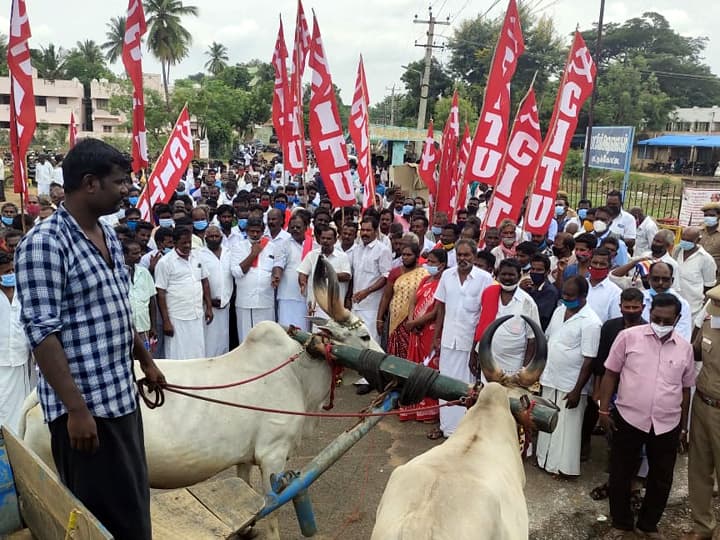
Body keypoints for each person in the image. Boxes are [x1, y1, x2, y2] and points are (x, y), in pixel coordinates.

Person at [14, 138, 164, 539]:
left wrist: (145, 361)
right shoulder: (45, 243)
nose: (128, 190)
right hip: (85, 414)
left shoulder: (107, 233)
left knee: (132, 507)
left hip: (120, 398)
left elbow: (116, 307)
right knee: (100, 520)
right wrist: (76, 412)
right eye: (120, 182)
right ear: (90, 184)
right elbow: (43, 336)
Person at [599, 293, 695, 539]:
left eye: (667, 321)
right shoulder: (628, 338)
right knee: (621, 473)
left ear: (678, 319)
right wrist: (603, 409)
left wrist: (683, 428)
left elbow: (685, 389)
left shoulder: (684, 349)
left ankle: (648, 525)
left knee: (661, 478)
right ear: (650, 314)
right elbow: (610, 374)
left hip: (667, 423)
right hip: (629, 418)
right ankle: (621, 523)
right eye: (656, 319)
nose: (660, 325)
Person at [536, 276, 601, 477]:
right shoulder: (558, 310)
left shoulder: (591, 322)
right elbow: (549, 339)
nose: (565, 298)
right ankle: (543, 460)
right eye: (564, 293)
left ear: (583, 296)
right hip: (551, 377)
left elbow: (589, 360)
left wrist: (577, 390)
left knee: (567, 427)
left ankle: (563, 468)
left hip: (571, 384)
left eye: (570, 295)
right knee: (545, 420)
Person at [433, 239, 494, 438]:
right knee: (445, 383)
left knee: (465, 387)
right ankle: (446, 428)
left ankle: (461, 432)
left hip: (469, 344)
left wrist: (477, 349)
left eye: (467, 255)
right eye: (459, 255)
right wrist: (436, 336)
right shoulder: (447, 276)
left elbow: (486, 315)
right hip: (448, 340)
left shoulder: (484, 279)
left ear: (474, 256)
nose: (462, 259)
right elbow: (440, 308)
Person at [684, 285, 720, 540]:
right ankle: (703, 527)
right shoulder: (711, 315)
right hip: (703, 403)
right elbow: (695, 350)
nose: (714, 307)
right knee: (699, 468)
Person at [472, 258, 541, 381]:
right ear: (497, 275)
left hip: (513, 366)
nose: (507, 278)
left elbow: (532, 340)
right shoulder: (489, 294)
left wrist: (524, 370)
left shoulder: (528, 302)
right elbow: (481, 326)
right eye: (504, 274)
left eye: (511, 275)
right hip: (488, 362)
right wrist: (473, 354)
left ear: (519, 276)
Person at [155, 227, 213, 360]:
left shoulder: (197, 257)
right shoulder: (165, 263)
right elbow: (161, 293)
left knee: (197, 352)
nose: (187, 246)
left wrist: (209, 308)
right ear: (175, 243)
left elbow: (205, 282)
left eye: (189, 242)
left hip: (197, 314)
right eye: (184, 243)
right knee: (178, 355)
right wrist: (166, 322)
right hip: (177, 317)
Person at [351, 216, 392, 394]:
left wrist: (366, 292)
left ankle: (371, 379)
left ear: (376, 231)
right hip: (356, 303)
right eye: (363, 230)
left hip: (372, 305)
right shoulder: (357, 249)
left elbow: (385, 277)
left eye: (368, 230)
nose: (365, 233)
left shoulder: (382, 250)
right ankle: (361, 375)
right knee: (358, 340)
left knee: (371, 341)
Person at [406, 249, 447, 429]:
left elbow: (436, 311)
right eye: (427, 261)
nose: (427, 265)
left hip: (429, 330)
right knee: (413, 367)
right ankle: (414, 406)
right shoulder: (425, 279)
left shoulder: (443, 283)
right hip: (415, 329)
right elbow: (413, 301)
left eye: (431, 262)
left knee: (428, 367)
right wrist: (410, 320)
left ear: (442, 265)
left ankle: (429, 410)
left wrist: (416, 322)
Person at [377, 241, 428, 361]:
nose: (405, 257)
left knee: (411, 351)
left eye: (409, 255)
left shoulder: (425, 274)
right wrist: (379, 318)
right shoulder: (395, 272)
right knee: (393, 352)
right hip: (395, 318)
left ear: (416, 256)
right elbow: (386, 296)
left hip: (414, 319)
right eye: (403, 255)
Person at [0, 251, 32, 432]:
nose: (10, 274)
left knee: (21, 406)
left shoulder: (23, 291)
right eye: (5, 272)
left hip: (22, 359)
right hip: (2, 359)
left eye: (12, 270)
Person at [231, 217, 277, 342]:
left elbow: (277, 267)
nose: (255, 234)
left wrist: (275, 275)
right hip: (246, 302)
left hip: (265, 301)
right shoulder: (238, 247)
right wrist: (253, 254)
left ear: (263, 232)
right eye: (252, 231)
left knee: (266, 338)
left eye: (258, 231)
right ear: (246, 231)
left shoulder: (272, 247)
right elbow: (237, 272)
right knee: (247, 339)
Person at [298, 224, 352, 320]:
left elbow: (347, 276)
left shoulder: (342, 256)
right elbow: (302, 272)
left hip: (336, 306)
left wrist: (329, 275)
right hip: (317, 306)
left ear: (335, 240)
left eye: (329, 238)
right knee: (318, 334)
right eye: (323, 238)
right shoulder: (312, 255)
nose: (325, 241)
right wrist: (302, 283)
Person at [197, 225, 233, 356]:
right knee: (209, 342)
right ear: (205, 238)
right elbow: (198, 280)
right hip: (208, 306)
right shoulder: (199, 254)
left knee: (223, 340)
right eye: (210, 236)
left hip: (225, 305)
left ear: (221, 237)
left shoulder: (228, 252)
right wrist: (208, 302)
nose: (213, 239)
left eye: (216, 236)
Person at [273, 215, 311, 331]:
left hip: (306, 297)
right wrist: (277, 276)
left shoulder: (313, 244)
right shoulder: (284, 244)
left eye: (298, 227)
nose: (295, 229)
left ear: (306, 227)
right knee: (287, 331)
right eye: (292, 227)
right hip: (287, 296)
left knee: (304, 332)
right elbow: (278, 263)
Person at [672, 226, 717, 319]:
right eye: (683, 239)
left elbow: (709, 286)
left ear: (698, 240)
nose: (684, 242)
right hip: (672, 303)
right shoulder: (677, 250)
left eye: (689, 240)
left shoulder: (706, 259)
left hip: (692, 308)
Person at [642, 262, 692, 341]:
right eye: (656, 279)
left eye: (665, 279)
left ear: (672, 280)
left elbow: (682, 338)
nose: (660, 283)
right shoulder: (640, 299)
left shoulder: (683, 304)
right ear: (648, 278)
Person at [123, 240, 158, 352]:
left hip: (144, 327)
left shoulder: (144, 273)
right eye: (134, 254)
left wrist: (153, 326)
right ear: (124, 255)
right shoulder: (117, 275)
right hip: (126, 329)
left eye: (140, 253)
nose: (139, 256)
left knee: (145, 358)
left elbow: (152, 300)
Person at [521, 253, 560, 330]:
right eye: (532, 269)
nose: (534, 272)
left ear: (547, 272)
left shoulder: (550, 291)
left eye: (539, 270)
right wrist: (520, 291)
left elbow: (540, 316)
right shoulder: (527, 286)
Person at [586, 248, 622, 323]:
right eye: (595, 263)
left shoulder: (616, 293)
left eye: (602, 264)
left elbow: (614, 321)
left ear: (609, 266)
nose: (598, 266)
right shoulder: (579, 284)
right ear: (589, 263)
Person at [699, 202, 720, 282]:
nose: (708, 218)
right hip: (698, 272)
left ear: (718, 216)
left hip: (715, 275)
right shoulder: (699, 229)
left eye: (712, 215)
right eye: (706, 215)